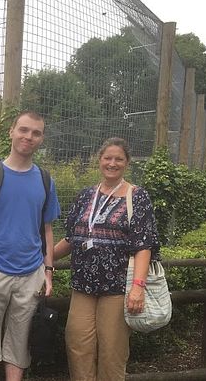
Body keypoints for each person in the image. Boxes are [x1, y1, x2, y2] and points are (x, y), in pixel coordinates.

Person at [0, 110, 60, 381]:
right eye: (24, 130)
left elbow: (47, 229)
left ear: (41, 139)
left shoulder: (45, 179)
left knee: (20, 342)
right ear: (12, 131)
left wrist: (48, 271)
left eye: (36, 132)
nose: (28, 137)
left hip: (31, 274)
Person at [53, 137, 158, 381]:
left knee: (112, 351)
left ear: (127, 163)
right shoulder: (85, 196)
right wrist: (43, 258)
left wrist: (137, 288)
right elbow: (72, 238)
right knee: (77, 343)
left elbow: (143, 246)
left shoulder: (137, 197)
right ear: (99, 160)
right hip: (83, 284)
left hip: (118, 287)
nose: (112, 163)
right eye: (107, 158)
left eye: (118, 159)